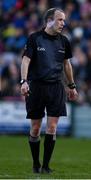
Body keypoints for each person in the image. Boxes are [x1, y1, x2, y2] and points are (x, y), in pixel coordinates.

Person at [20, 8, 78, 174]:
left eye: (64, 20)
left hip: (56, 87)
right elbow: (25, 61)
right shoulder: (34, 38)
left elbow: (67, 65)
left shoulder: (64, 41)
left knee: (52, 128)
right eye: (60, 20)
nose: (63, 23)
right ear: (49, 20)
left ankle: (45, 166)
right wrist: (24, 81)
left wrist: (72, 85)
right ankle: (35, 164)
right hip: (36, 87)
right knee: (36, 129)